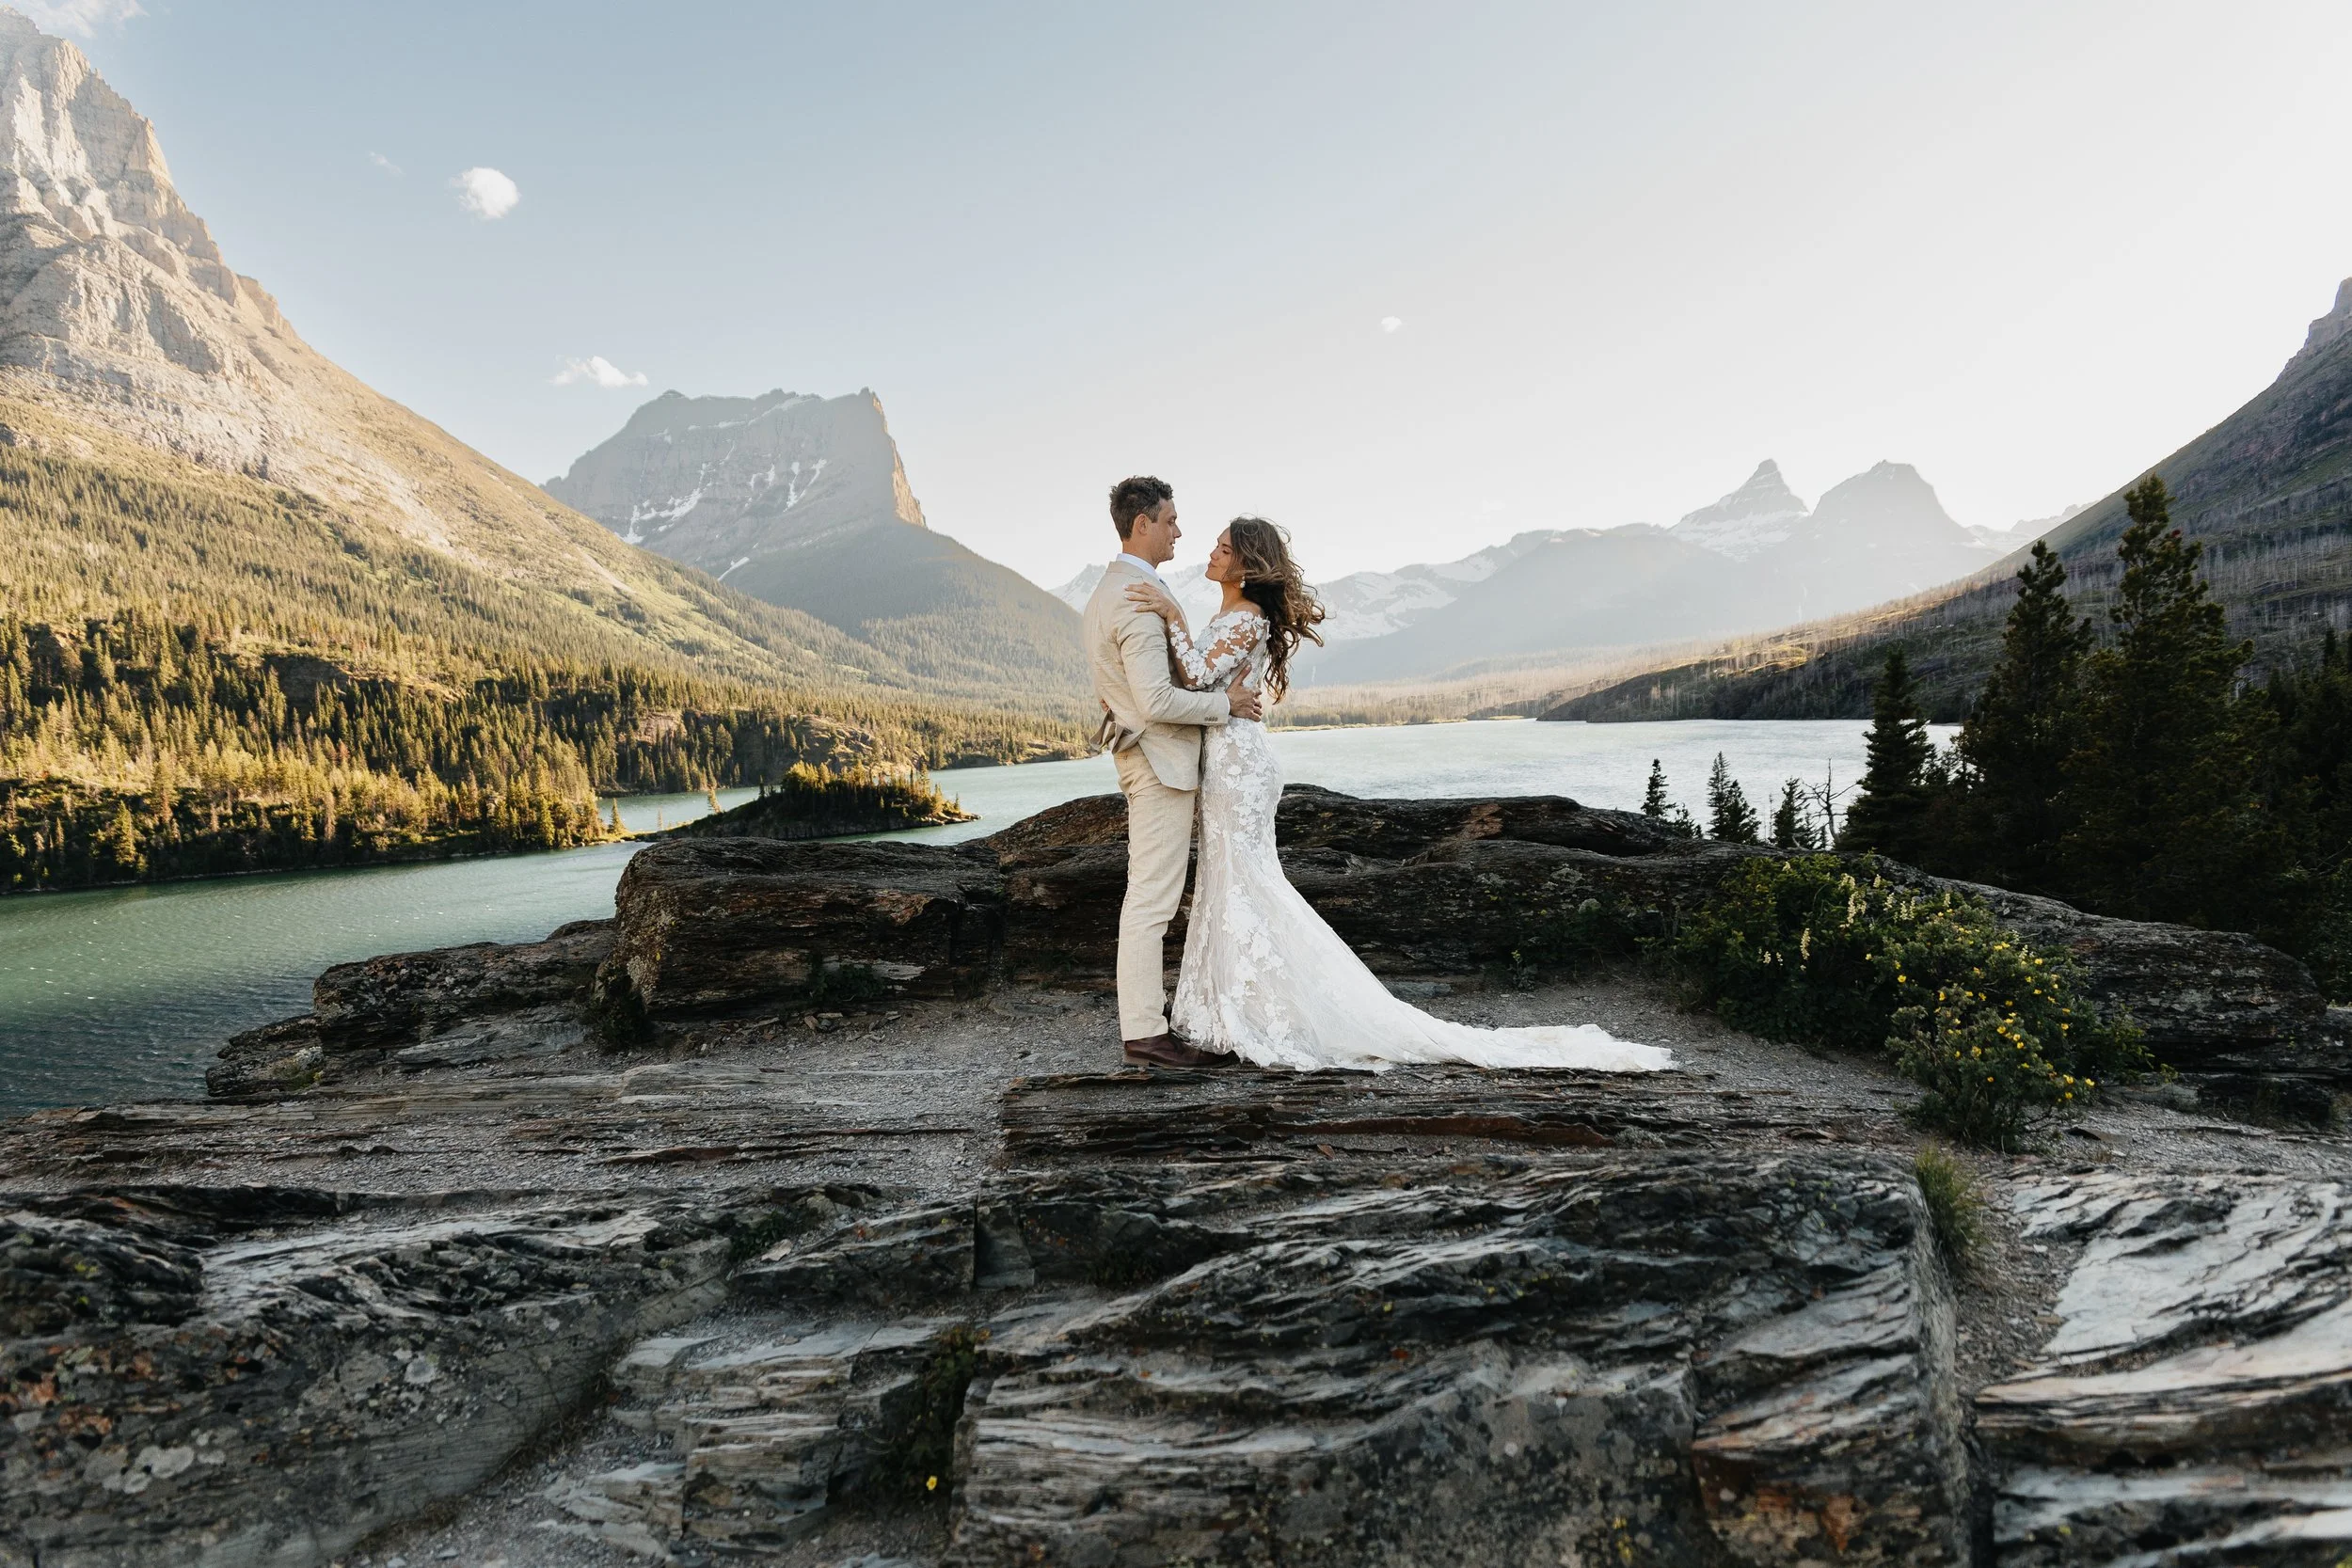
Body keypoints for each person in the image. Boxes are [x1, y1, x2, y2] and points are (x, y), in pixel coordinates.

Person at [1124, 515, 1670, 1072]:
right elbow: (1204, 680)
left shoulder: (1245, 617)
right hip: (1227, 759)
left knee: (1244, 879)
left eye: (1222, 549)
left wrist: (1169, 616)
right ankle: (1232, 1005)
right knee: (1229, 878)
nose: (1210, 555)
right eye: (1214, 547)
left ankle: (1265, 1011)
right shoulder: (1231, 614)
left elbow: (1192, 679)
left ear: (1247, 563)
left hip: (1238, 765)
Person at [1082, 477, 1261, 1068]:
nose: (1179, 531)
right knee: (1152, 901)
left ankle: (1154, 1025)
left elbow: (1129, 691)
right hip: (1159, 762)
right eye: (1171, 520)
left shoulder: (1113, 590)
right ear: (1143, 525)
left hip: (1149, 756)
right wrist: (1224, 706)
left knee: (1152, 897)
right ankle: (1143, 1033)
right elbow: (1157, 700)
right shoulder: (1135, 595)